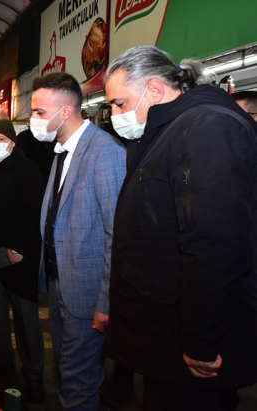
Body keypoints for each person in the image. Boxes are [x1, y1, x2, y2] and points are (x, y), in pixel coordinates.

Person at [104, 45, 257, 411]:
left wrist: (201, 342)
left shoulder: (207, 127)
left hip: (193, 345)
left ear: (154, 90)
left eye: (120, 104)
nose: (113, 115)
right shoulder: (171, 128)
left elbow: (214, 245)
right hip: (167, 332)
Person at [32, 72, 125, 411]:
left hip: (88, 295)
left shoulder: (105, 153)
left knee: (80, 382)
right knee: (66, 371)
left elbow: (118, 234)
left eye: (40, 112)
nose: (34, 120)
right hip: (60, 285)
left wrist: (106, 301)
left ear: (66, 111)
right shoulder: (61, 152)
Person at [0, 119, 47, 403]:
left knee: (25, 316)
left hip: (16, 255)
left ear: (12, 142)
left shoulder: (26, 169)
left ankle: (34, 375)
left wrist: (17, 246)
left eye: (0, 138)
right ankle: (2, 362)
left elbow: (33, 210)